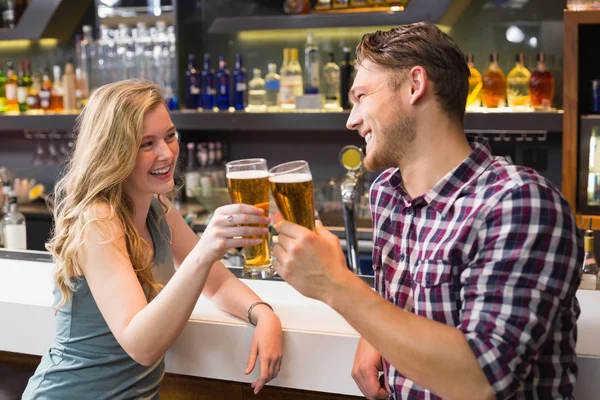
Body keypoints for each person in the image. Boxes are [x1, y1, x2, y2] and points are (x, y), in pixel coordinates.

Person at [272, 22, 582, 400]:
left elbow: (481, 380)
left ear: (415, 85)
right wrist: (377, 338)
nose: (351, 120)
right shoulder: (388, 192)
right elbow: (401, 309)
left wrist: (335, 284)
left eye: (362, 96)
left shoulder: (519, 203)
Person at [22, 80, 283, 399]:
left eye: (170, 136)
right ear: (114, 152)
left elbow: (219, 285)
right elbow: (141, 346)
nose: (166, 153)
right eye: (147, 144)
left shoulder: (157, 208)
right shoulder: (98, 221)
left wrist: (262, 313)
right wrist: (204, 252)